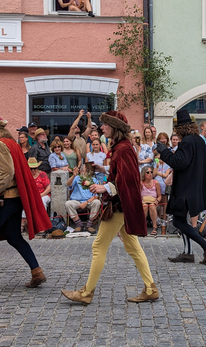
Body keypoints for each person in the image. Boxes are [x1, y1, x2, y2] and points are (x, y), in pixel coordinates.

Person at [62, 111, 159, 304]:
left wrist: (104, 186)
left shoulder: (122, 148)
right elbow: (122, 171)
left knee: (98, 246)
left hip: (118, 205)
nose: (102, 128)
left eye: (105, 124)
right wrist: (103, 169)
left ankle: (86, 293)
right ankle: (150, 288)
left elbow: (129, 179)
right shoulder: (121, 147)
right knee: (133, 247)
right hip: (121, 204)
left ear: (115, 127)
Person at [0, 114, 52, 291]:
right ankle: (37, 272)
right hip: (14, 199)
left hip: (5, 199)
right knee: (14, 237)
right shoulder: (11, 142)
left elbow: (6, 174)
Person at [156, 110, 206, 265]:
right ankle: (188, 253)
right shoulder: (199, 141)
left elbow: (179, 163)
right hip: (195, 187)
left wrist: (164, 151)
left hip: (185, 188)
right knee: (181, 220)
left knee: (178, 221)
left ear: (180, 128)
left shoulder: (187, 142)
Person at [65, 165, 101, 234]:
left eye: (88, 170)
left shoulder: (93, 179)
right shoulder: (77, 178)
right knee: (68, 203)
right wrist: (73, 176)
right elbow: (68, 184)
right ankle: (79, 224)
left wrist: (86, 202)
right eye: (85, 170)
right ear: (81, 172)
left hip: (90, 201)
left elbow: (96, 196)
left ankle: (89, 225)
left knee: (97, 202)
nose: (87, 171)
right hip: (77, 200)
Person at [140, 166, 162, 236]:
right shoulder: (141, 183)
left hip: (153, 202)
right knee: (145, 206)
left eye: (151, 172)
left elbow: (159, 196)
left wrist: (157, 201)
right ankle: (142, 226)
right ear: (144, 174)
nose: (150, 174)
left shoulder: (156, 182)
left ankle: (154, 227)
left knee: (152, 206)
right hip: (144, 201)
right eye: (148, 172)